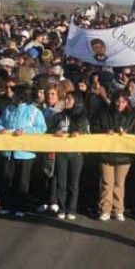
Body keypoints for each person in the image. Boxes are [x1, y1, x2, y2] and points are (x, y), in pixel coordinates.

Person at [0, 84, 47, 217]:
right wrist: (0, 129)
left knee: (22, 181)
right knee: (7, 178)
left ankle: (20, 207)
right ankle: (6, 204)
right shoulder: (8, 108)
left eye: (15, 93)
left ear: (22, 96)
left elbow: (41, 128)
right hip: (8, 151)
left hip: (25, 153)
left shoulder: (34, 111)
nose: (11, 95)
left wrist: (25, 131)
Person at [92, 90, 135, 221]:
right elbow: (94, 129)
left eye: (123, 102)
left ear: (127, 103)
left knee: (119, 184)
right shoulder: (103, 114)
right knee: (106, 183)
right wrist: (105, 131)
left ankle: (118, 209)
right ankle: (105, 209)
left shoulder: (132, 117)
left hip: (124, 156)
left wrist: (127, 134)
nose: (120, 104)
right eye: (118, 101)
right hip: (106, 154)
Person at [49, 91, 90, 219]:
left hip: (76, 154)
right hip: (61, 153)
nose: (67, 101)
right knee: (61, 183)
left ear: (76, 101)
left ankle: (71, 209)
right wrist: (55, 132)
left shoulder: (83, 118)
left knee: (73, 184)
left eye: (70, 99)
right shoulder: (59, 116)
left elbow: (88, 136)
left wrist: (79, 134)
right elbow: (48, 130)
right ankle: (62, 208)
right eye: (66, 98)